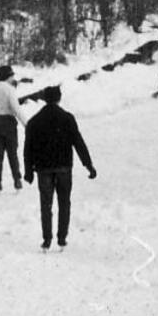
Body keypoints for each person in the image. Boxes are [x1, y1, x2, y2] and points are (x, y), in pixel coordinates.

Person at [22, 85, 97, 250]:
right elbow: (78, 143)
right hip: (64, 167)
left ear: (44, 99)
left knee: (45, 204)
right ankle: (62, 238)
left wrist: (28, 171)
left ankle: (47, 239)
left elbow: (28, 149)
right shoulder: (67, 118)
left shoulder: (34, 121)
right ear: (59, 98)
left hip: (43, 168)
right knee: (64, 203)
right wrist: (88, 165)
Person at [0, 65, 24, 193]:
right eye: (11, 75)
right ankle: (17, 180)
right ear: (7, 76)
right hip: (8, 122)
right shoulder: (9, 90)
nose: (13, 78)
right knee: (12, 153)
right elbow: (16, 108)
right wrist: (26, 124)